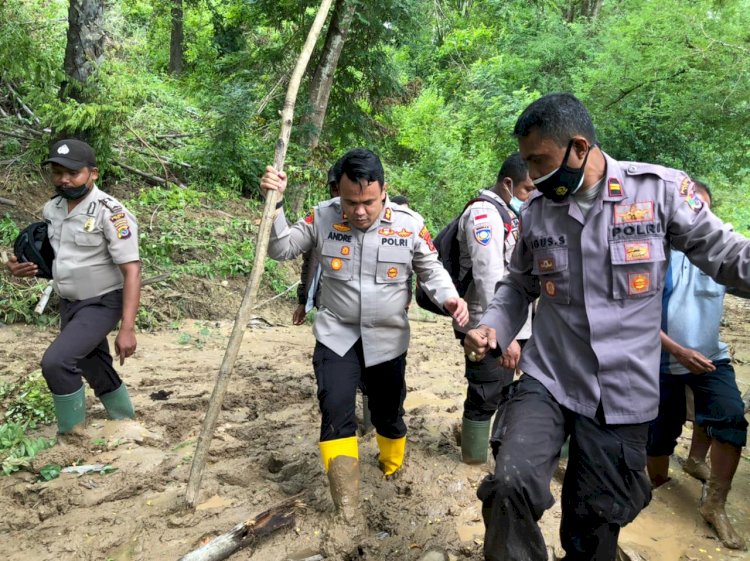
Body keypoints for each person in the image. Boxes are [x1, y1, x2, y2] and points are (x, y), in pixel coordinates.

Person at [463, 93, 750, 561]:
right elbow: (518, 285)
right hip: (550, 379)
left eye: (540, 161)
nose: (532, 176)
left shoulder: (658, 191)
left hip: (622, 394)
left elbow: (726, 253)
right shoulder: (537, 212)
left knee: (593, 523)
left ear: (579, 148)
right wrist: (493, 326)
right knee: (509, 486)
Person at [261, 148, 468, 523]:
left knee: (389, 414)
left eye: (368, 202)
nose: (358, 211)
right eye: (350, 202)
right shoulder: (323, 217)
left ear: (384, 191)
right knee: (335, 410)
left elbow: (431, 269)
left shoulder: (407, 224)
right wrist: (274, 204)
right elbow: (280, 248)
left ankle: (391, 467)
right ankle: (348, 508)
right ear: (339, 194)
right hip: (336, 336)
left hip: (387, 340)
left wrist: (451, 299)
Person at [5, 139, 141, 435]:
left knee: (57, 362)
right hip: (69, 301)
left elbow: (131, 270)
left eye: (72, 173)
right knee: (94, 364)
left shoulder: (112, 213)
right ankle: (126, 423)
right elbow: (56, 258)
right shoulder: (52, 209)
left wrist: (127, 328)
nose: (64, 180)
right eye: (57, 172)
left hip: (102, 301)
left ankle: (72, 435)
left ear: (93, 173)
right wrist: (20, 269)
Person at [646, 181, 748, 550]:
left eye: (701, 211)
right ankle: (657, 487)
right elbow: (634, 317)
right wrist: (677, 350)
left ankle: (714, 505)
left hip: (711, 358)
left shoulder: (723, 259)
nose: (692, 219)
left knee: (731, 419)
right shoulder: (653, 256)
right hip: (659, 362)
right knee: (658, 438)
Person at [454, 153, 533, 464]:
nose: (530, 196)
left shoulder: (509, 213)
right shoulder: (485, 214)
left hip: (514, 324)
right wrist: (504, 336)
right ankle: (472, 462)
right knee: (485, 392)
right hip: (486, 325)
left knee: (508, 390)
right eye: (527, 189)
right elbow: (489, 278)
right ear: (508, 183)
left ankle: (502, 451)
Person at [292, 160, 342, 326]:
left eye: (341, 189)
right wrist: (303, 301)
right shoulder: (319, 219)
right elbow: (309, 264)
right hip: (325, 304)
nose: (337, 195)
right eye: (334, 189)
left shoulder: (365, 222)